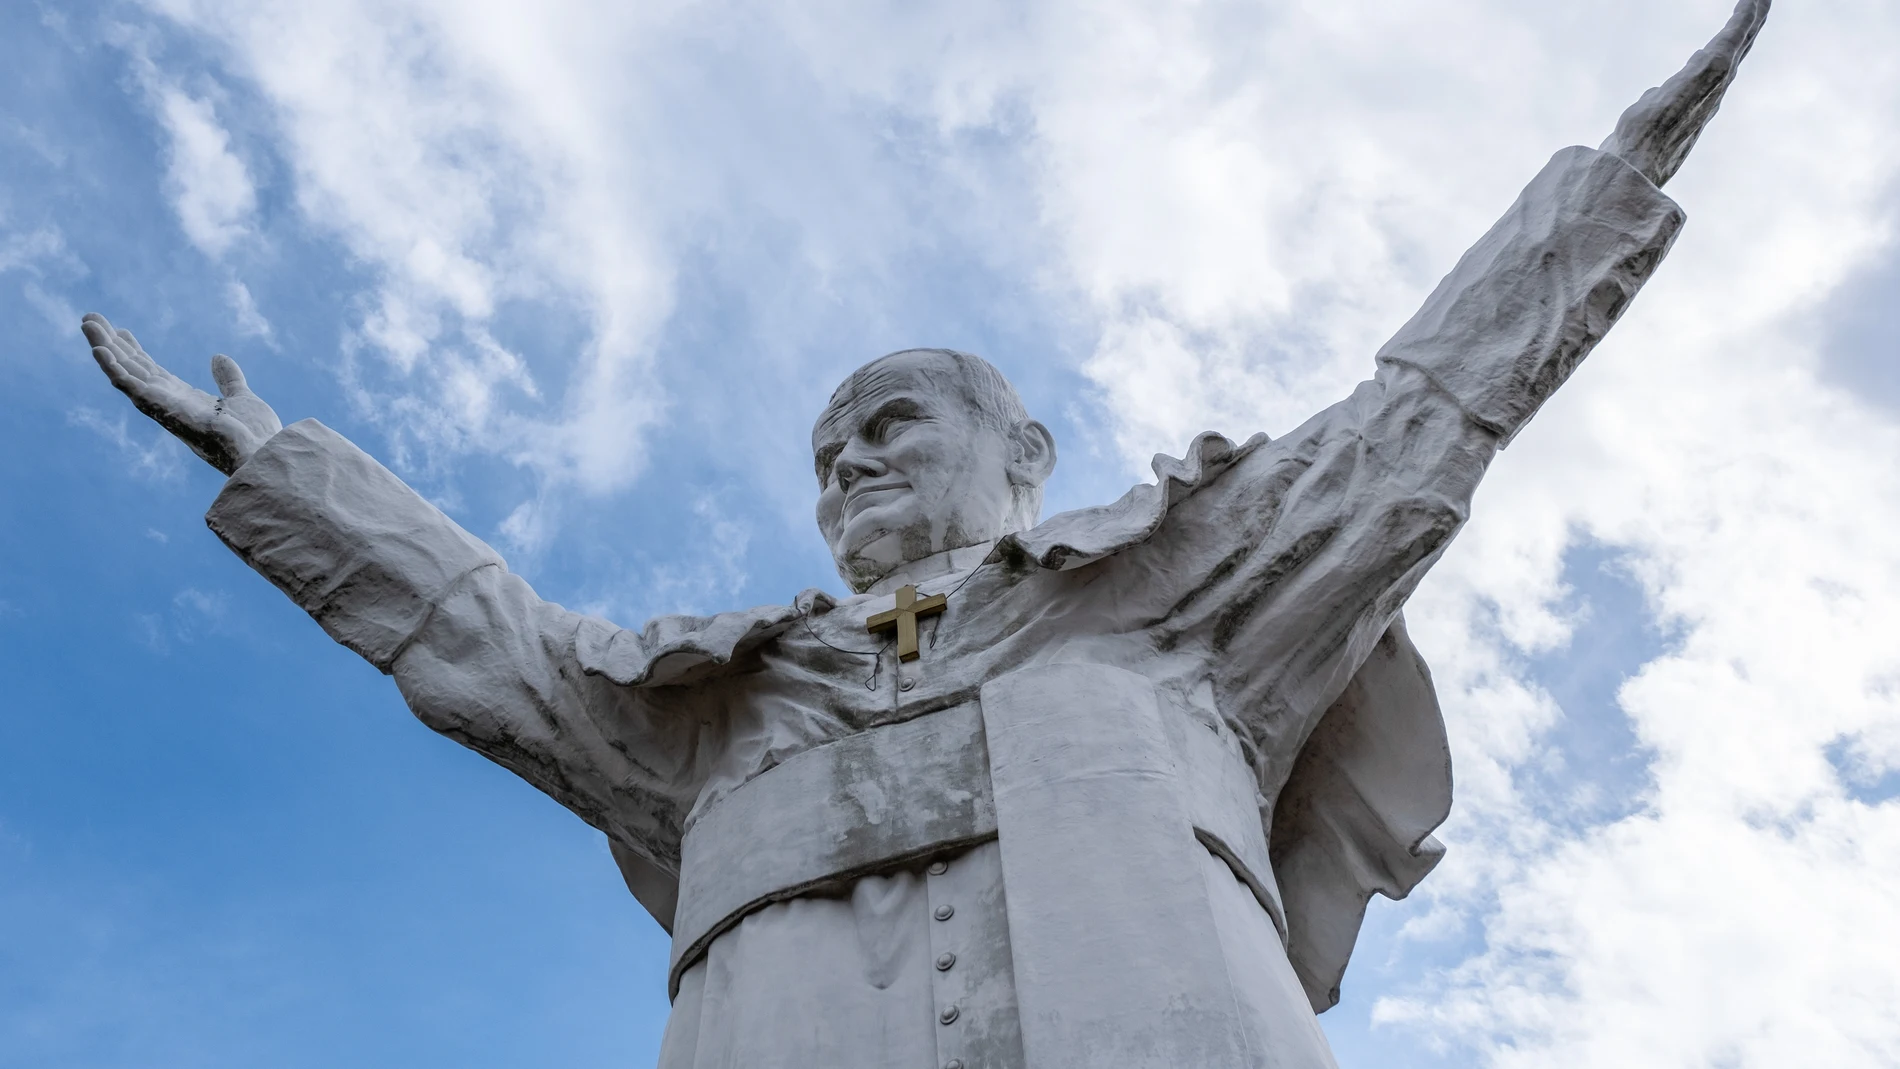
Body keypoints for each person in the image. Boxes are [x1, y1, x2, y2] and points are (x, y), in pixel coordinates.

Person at [81, 3, 1770, 1066]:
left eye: (892, 424)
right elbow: (486, 637)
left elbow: (1401, 437)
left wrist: (1602, 192)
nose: (851, 466)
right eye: (828, 454)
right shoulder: (716, 714)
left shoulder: (1176, 618)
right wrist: (285, 469)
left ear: (1023, 450)